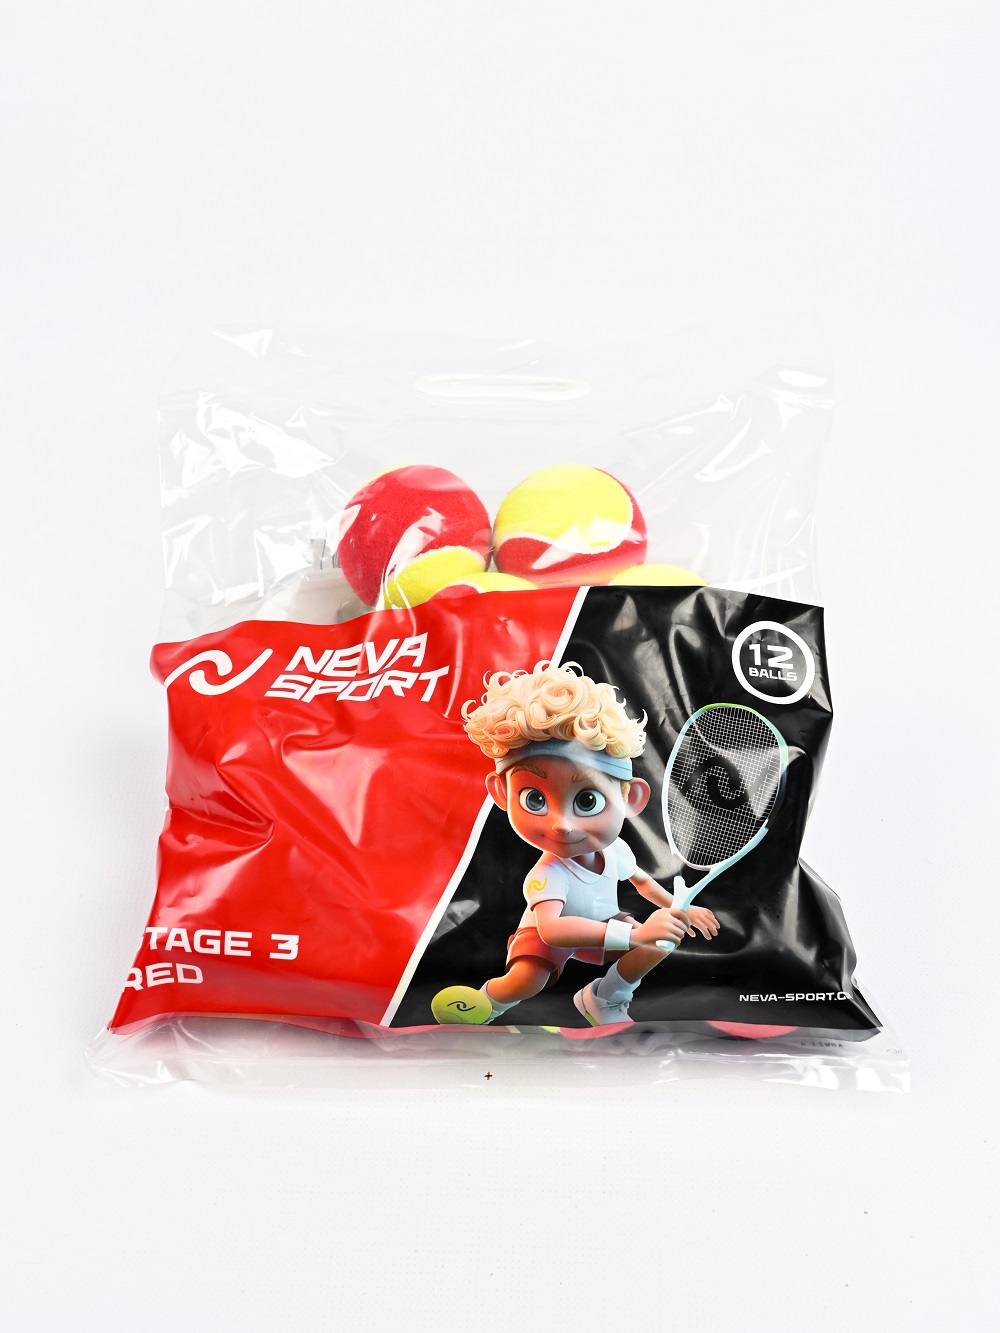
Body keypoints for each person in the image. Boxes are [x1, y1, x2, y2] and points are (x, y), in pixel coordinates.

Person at [432, 661, 720, 1026]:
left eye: (587, 800)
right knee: (526, 981)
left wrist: (678, 909)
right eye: (534, 799)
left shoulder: (615, 852)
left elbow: (643, 882)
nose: (561, 824)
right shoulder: (547, 874)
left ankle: (606, 996)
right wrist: (633, 933)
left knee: (662, 939)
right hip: (549, 935)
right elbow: (553, 930)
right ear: (502, 793)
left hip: (602, 923)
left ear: (631, 799)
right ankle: (486, 1003)